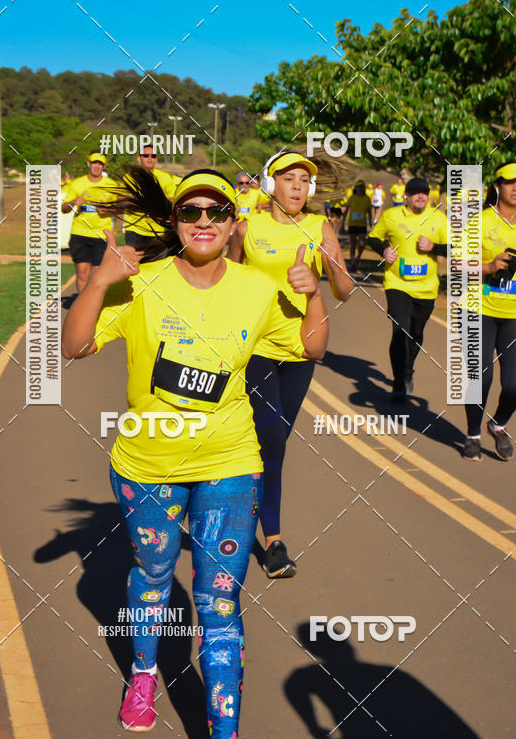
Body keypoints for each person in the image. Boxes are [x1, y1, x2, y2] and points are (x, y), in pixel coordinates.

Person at [62, 167, 329, 734]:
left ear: (234, 222)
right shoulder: (142, 282)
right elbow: (76, 345)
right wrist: (97, 281)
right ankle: (142, 672)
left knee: (219, 603)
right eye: (191, 212)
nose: (203, 221)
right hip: (147, 464)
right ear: (177, 220)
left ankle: (222, 729)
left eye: (216, 212)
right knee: (154, 574)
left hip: (229, 462)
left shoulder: (257, 288)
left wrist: (313, 296)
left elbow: (311, 349)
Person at [227, 151, 352, 578]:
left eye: (304, 180)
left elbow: (345, 291)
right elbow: (225, 280)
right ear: (270, 183)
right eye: (289, 178)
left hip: (300, 351)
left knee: (273, 442)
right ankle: (274, 542)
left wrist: (332, 265)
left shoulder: (321, 227)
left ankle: (238, 501)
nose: (298, 186)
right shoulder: (248, 227)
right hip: (255, 348)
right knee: (271, 440)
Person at [462, 162, 516, 461]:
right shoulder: (479, 221)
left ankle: (497, 424)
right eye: (511, 182)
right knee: (480, 377)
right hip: (478, 307)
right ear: (497, 186)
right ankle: (473, 434)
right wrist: (487, 267)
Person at [367, 176, 448, 401]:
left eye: (425, 192)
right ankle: (399, 383)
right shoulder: (392, 216)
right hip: (397, 284)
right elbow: (372, 237)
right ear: (407, 196)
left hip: (427, 288)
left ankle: (408, 370)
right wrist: (383, 250)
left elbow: (455, 249)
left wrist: (434, 247)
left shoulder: (439, 218)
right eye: (415, 193)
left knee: (416, 333)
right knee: (399, 330)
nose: (421, 196)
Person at [61, 152, 117, 293]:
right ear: (88, 164)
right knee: (82, 273)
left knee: (97, 274)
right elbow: (64, 208)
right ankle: (82, 305)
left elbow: (118, 209)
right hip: (80, 233)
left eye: (100, 164)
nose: (96, 166)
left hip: (101, 234)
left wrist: (108, 209)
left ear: (104, 166)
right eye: (94, 162)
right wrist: (75, 202)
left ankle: (94, 305)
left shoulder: (111, 185)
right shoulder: (77, 184)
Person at [123, 147, 180, 250]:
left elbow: (172, 199)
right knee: (132, 263)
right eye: (146, 156)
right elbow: (121, 197)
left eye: (153, 156)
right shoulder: (130, 177)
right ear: (139, 158)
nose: (150, 158)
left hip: (158, 229)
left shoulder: (165, 177)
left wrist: (158, 202)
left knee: (154, 264)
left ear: (156, 159)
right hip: (134, 228)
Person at [343, 179, 373, 273]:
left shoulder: (367, 199)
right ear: (356, 188)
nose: (360, 189)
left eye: (361, 187)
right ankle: (353, 263)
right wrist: (343, 222)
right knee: (353, 244)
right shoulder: (352, 198)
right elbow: (346, 210)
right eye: (358, 187)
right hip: (352, 224)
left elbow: (369, 211)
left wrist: (370, 222)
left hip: (362, 225)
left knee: (362, 243)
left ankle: (358, 257)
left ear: (364, 188)